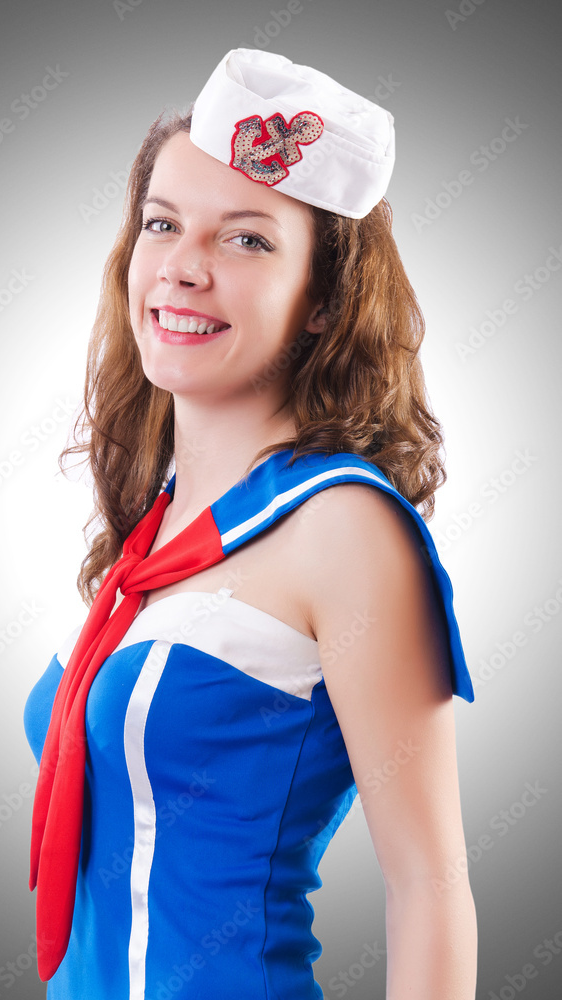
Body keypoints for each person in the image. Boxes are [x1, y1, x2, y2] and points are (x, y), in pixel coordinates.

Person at [24, 48, 477, 1000]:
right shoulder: (152, 526)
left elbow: (429, 892)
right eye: (163, 224)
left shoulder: (344, 529)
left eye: (247, 240)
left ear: (322, 303)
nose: (183, 269)